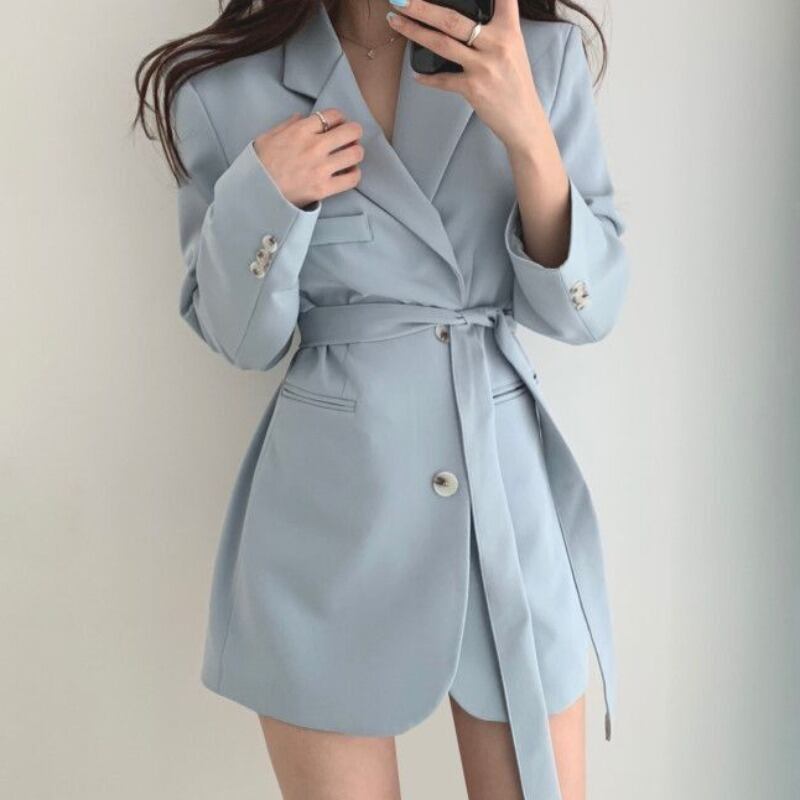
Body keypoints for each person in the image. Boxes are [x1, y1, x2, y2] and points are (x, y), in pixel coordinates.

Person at [133, 0, 630, 798]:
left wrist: (529, 134)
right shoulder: (224, 89)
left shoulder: (536, 58)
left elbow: (587, 311)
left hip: (503, 512)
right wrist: (265, 196)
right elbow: (241, 341)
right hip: (329, 524)